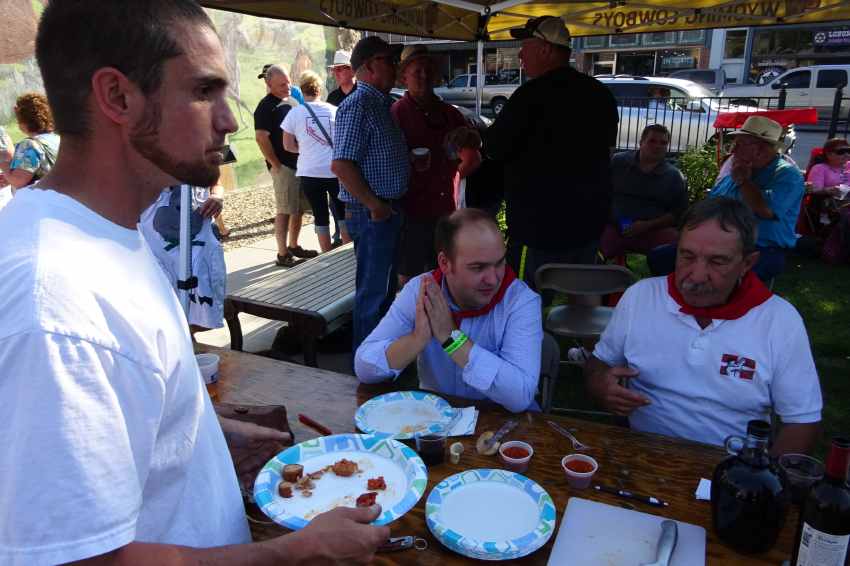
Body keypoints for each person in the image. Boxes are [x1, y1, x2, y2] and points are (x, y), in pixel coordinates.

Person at [0, 2, 389, 564]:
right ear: (117, 97)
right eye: (205, 91)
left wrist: (196, 430)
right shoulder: (55, 309)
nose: (231, 120)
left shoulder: (102, 234)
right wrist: (297, 552)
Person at [585, 198, 822, 455]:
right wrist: (602, 387)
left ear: (747, 263)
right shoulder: (641, 296)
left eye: (717, 262)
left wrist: (762, 480)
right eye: (687, 256)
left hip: (732, 470)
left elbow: (802, 421)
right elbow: (600, 363)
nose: (696, 275)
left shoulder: (779, 320)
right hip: (643, 453)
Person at [355, 208, 542, 413]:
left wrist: (452, 339)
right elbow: (364, 367)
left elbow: (521, 396)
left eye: (499, 263)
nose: (493, 278)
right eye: (478, 268)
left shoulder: (520, 301)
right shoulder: (421, 290)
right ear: (444, 263)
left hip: (504, 428)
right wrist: (417, 339)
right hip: (436, 423)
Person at [485, 16, 619, 289]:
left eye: (526, 45)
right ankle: (580, 332)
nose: (521, 54)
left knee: (525, 303)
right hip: (588, 224)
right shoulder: (600, 94)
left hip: (538, 229)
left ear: (545, 49)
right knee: (583, 298)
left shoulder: (528, 96)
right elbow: (608, 152)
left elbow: (494, 148)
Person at [331, 36, 409, 351]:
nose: (396, 67)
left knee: (385, 290)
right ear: (368, 67)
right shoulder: (359, 104)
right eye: (389, 60)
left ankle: (380, 360)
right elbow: (341, 165)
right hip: (372, 214)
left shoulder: (381, 103)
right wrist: (375, 206)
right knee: (373, 293)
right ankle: (366, 369)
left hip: (385, 211)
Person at [391, 44, 481, 285]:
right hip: (411, 213)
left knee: (445, 274)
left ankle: (442, 321)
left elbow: (474, 154)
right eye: (417, 71)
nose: (424, 76)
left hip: (445, 211)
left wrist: (452, 170)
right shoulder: (396, 113)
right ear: (404, 77)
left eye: (429, 70)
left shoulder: (450, 113)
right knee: (410, 280)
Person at [710, 115, 804, 282]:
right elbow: (710, 204)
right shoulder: (739, 169)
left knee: (718, 278)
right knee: (661, 257)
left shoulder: (787, 175)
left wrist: (743, 181)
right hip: (719, 242)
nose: (733, 150)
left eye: (739, 145)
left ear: (761, 149)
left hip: (761, 248)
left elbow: (765, 210)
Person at [139, 184, 227, 332]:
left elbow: (215, 181)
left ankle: (188, 343)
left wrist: (217, 196)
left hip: (198, 237)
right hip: (154, 239)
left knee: (202, 314)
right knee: (166, 313)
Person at [254, 64, 317, 268]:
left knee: (297, 209)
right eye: (281, 84)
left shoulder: (290, 101)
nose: (287, 86)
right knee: (284, 210)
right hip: (284, 168)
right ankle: (282, 254)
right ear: (268, 83)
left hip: (299, 164)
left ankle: (294, 245)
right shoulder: (265, 107)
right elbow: (261, 138)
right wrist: (275, 164)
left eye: (288, 81)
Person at [282, 70, 350, 252]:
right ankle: (348, 250)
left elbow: (287, 145)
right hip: (335, 171)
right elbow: (344, 142)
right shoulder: (335, 111)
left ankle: (327, 254)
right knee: (343, 212)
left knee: (320, 216)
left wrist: (304, 149)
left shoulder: (294, 114)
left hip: (309, 171)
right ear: (319, 89)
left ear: (302, 91)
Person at [600, 124, 687, 260]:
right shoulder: (618, 162)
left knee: (675, 243)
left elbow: (677, 213)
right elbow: (601, 192)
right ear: (641, 143)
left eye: (663, 143)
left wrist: (646, 225)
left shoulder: (674, 176)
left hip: (653, 230)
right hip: (614, 227)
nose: (658, 146)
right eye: (652, 141)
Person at [7, 92, 60, 190]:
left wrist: (4, 161)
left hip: (41, 203)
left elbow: (17, 181)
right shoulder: (59, 140)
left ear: (23, 119)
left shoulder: (29, 145)